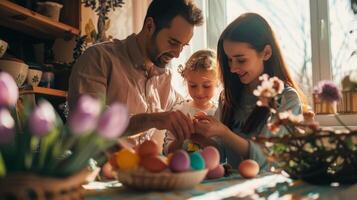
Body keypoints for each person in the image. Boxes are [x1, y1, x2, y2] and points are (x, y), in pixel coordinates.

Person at [68, 0, 204, 149]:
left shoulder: (165, 78)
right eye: (173, 42)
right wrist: (152, 120)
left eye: (183, 46)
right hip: (96, 170)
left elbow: (178, 111)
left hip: (143, 170)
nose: (178, 54)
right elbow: (91, 122)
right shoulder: (98, 59)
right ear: (149, 26)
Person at [193, 13, 306, 170]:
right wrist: (201, 137)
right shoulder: (228, 97)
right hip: (234, 188)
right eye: (229, 60)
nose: (232, 68)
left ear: (266, 53)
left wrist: (224, 132)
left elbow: (267, 157)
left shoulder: (286, 98)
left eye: (241, 60)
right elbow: (221, 152)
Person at [162, 49, 220, 154]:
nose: (199, 92)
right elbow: (167, 151)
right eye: (192, 85)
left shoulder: (219, 113)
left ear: (217, 82)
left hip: (211, 169)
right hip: (184, 169)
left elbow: (223, 154)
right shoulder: (179, 111)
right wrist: (184, 135)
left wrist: (200, 137)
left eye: (206, 86)